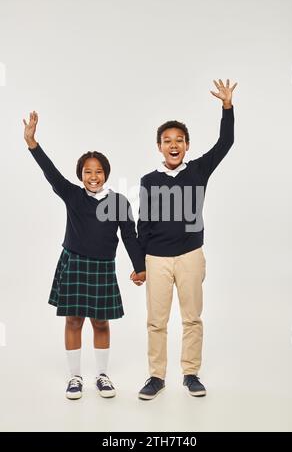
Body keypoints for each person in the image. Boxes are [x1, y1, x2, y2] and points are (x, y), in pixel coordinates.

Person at [23, 111, 146, 400]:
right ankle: (74, 377)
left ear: (106, 173)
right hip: (75, 263)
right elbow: (50, 172)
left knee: (101, 322)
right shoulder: (73, 195)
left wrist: (140, 267)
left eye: (99, 171)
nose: (93, 176)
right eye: (88, 171)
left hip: (103, 268)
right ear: (81, 175)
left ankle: (102, 376)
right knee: (74, 320)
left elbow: (129, 236)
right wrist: (32, 143)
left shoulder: (119, 202)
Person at [132, 79, 237, 399]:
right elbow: (143, 223)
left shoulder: (199, 170)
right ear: (159, 146)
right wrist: (140, 265)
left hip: (191, 255)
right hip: (157, 259)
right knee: (156, 322)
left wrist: (227, 108)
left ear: (187, 145)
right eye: (167, 140)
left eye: (179, 140)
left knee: (192, 317)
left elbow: (225, 143)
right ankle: (156, 376)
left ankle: (190, 373)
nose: (173, 144)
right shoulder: (149, 180)